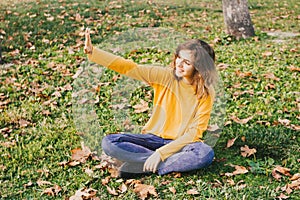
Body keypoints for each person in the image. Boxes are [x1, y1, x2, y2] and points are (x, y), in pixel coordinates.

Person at [84, 28, 218, 178]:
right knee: (110, 142)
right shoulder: (165, 76)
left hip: (182, 144)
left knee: (205, 153)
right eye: (179, 58)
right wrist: (93, 52)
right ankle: (153, 163)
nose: (179, 64)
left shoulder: (206, 92)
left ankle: (142, 165)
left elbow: (195, 133)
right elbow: (130, 68)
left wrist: (161, 154)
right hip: (152, 138)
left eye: (187, 62)